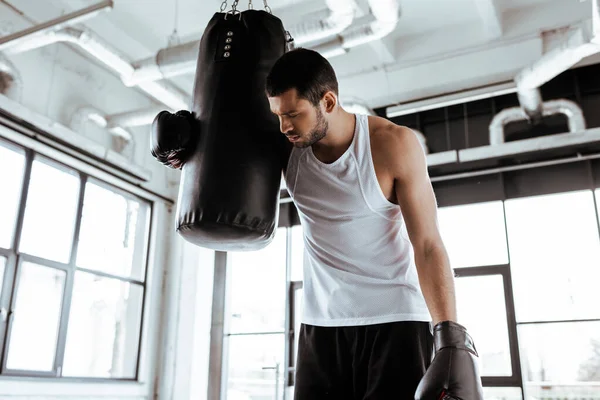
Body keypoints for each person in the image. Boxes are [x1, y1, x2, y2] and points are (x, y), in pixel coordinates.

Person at [265, 48, 483, 399]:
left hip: (394, 321)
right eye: (277, 115)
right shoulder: (287, 146)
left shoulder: (392, 144)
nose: (284, 126)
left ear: (329, 102)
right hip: (320, 324)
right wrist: (188, 151)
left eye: (293, 114)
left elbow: (427, 243)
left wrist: (449, 335)